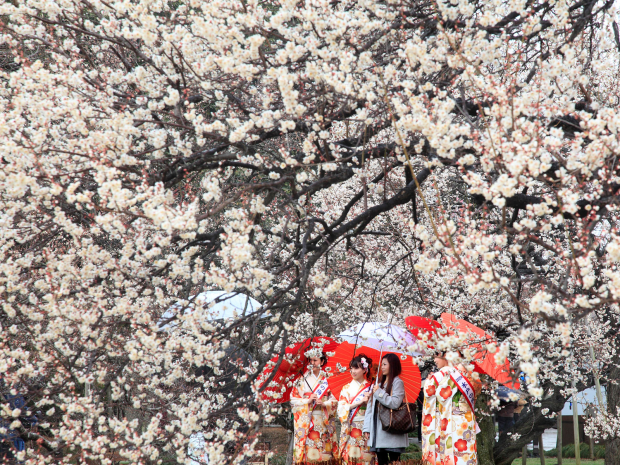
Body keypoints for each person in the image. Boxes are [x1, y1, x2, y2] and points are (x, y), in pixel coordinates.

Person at [422, 353, 481, 465]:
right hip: (467, 419)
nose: (435, 359)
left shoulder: (445, 374)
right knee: (466, 452)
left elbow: (434, 393)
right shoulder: (472, 373)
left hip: (451, 420)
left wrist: (429, 381)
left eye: (437, 355)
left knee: (452, 451)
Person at [290, 349, 338, 465]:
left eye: (315, 360)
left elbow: (335, 399)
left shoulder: (328, 379)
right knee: (309, 453)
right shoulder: (302, 379)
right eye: (310, 360)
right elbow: (293, 400)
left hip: (323, 420)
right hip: (308, 422)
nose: (312, 363)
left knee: (324, 453)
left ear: (322, 362)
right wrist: (308, 400)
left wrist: (324, 403)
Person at [362, 353, 409, 465]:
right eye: (381, 364)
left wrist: (378, 392)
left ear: (392, 366)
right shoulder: (379, 384)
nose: (382, 367)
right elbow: (370, 409)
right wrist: (367, 428)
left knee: (394, 461)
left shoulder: (397, 382)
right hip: (378, 432)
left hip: (392, 431)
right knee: (381, 461)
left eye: (385, 364)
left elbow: (395, 403)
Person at [337, 354, 374, 465]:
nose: (353, 371)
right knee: (351, 457)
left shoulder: (371, 387)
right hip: (351, 427)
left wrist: (369, 402)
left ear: (364, 370)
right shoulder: (346, 388)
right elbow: (341, 408)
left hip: (367, 427)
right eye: (351, 368)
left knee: (366, 457)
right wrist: (358, 402)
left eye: (356, 368)